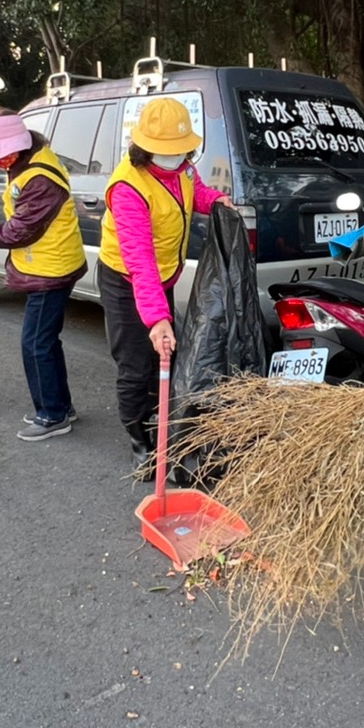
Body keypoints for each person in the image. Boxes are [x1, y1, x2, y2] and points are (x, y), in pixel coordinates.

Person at [97, 96, 234, 474]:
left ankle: (164, 428)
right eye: (167, 152)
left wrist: (217, 200)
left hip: (164, 275)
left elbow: (196, 195)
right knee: (136, 365)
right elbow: (139, 261)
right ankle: (140, 440)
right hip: (126, 280)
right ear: (144, 148)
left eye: (182, 150)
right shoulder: (128, 188)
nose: (177, 157)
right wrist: (157, 320)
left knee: (166, 358)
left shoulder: (184, 170)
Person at [0, 110, 87, 441]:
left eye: (3, 154)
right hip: (45, 264)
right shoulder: (23, 163)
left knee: (35, 344)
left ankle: (52, 415)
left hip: (51, 268)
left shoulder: (39, 178)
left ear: (20, 143)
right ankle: (61, 405)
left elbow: (19, 231)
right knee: (44, 341)